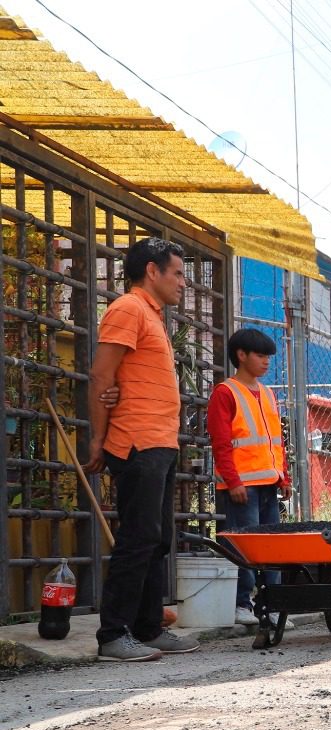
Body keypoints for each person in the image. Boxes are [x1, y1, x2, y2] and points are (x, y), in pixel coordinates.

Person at [86, 238, 201, 662]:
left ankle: (149, 628)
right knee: (138, 539)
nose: (183, 284)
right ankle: (113, 635)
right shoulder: (128, 309)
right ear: (152, 271)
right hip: (136, 441)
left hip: (160, 442)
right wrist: (98, 439)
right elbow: (101, 377)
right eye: (177, 273)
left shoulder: (151, 316)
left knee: (157, 540)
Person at [208, 328, 294, 628]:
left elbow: (276, 441)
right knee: (243, 546)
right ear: (241, 356)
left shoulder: (268, 394)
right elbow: (220, 443)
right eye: (260, 355)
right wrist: (233, 482)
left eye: (268, 356)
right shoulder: (225, 392)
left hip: (269, 483)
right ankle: (241, 604)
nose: (266, 362)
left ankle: (272, 605)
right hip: (242, 486)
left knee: (270, 547)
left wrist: (284, 477)